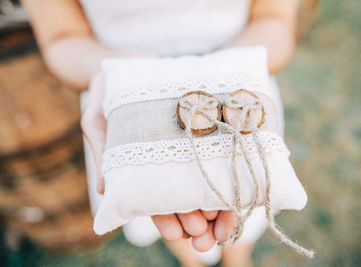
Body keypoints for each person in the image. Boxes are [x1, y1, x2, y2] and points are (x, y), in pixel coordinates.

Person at [22, 0, 300, 266]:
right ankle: (190, 260)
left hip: (238, 95)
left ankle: (238, 258)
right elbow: (61, 36)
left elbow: (273, 16)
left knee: (245, 198)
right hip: (128, 99)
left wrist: (229, 72)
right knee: (158, 198)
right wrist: (107, 73)